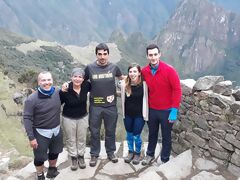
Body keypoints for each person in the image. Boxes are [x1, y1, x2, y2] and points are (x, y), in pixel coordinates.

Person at [141, 44, 182, 166]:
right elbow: (137, 83)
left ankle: (164, 159)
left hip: (167, 110)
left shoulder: (169, 70)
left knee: (166, 136)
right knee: (152, 133)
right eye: (150, 55)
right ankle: (149, 154)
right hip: (152, 109)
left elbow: (177, 89)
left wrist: (174, 109)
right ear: (147, 56)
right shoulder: (145, 71)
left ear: (159, 54)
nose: (153, 57)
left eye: (155, 54)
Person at [85, 43, 124, 167]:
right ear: (96, 54)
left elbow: (122, 78)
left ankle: (110, 152)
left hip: (111, 105)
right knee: (94, 131)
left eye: (104, 54)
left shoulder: (114, 67)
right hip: (95, 105)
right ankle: (94, 154)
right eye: (99, 54)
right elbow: (82, 81)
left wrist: (138, 81)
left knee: (110, 130)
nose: (102, 57)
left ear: (108, 54)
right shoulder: (89, 68)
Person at [23, 71, 63, 180]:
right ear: (38, 82)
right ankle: (40, 175)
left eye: (49, 80)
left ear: (52, 80)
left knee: (55, 152)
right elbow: (27, 118)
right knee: (40, 157)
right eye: (43, 80)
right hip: (40, 132)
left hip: (56, 130)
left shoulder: (58, 92)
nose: (46, 82)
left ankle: (52, 170)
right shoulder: (32, 99)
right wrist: (31, 138)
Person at [60, 68, 91, 170]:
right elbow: (58, 102)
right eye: (75, 76)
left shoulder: (86, 85)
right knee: (70, 138)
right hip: (68, 118)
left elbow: (98, 87)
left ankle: (81, 156)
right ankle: (73, 157)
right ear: (71, 77)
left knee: (82, 138)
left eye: (80, 77)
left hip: (82, 117)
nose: (77, 79)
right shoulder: (66, 89)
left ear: (83, 79)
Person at [119, 63, 148, 165]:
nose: (132, 74)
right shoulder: (124, 85)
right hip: (127, 115)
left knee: (136, 135)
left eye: (135, 71)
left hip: (139, 115)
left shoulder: (144, 85)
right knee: (129, 134)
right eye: (130, 71)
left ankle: (137, 153)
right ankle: (130, 152)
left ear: (139, 73)